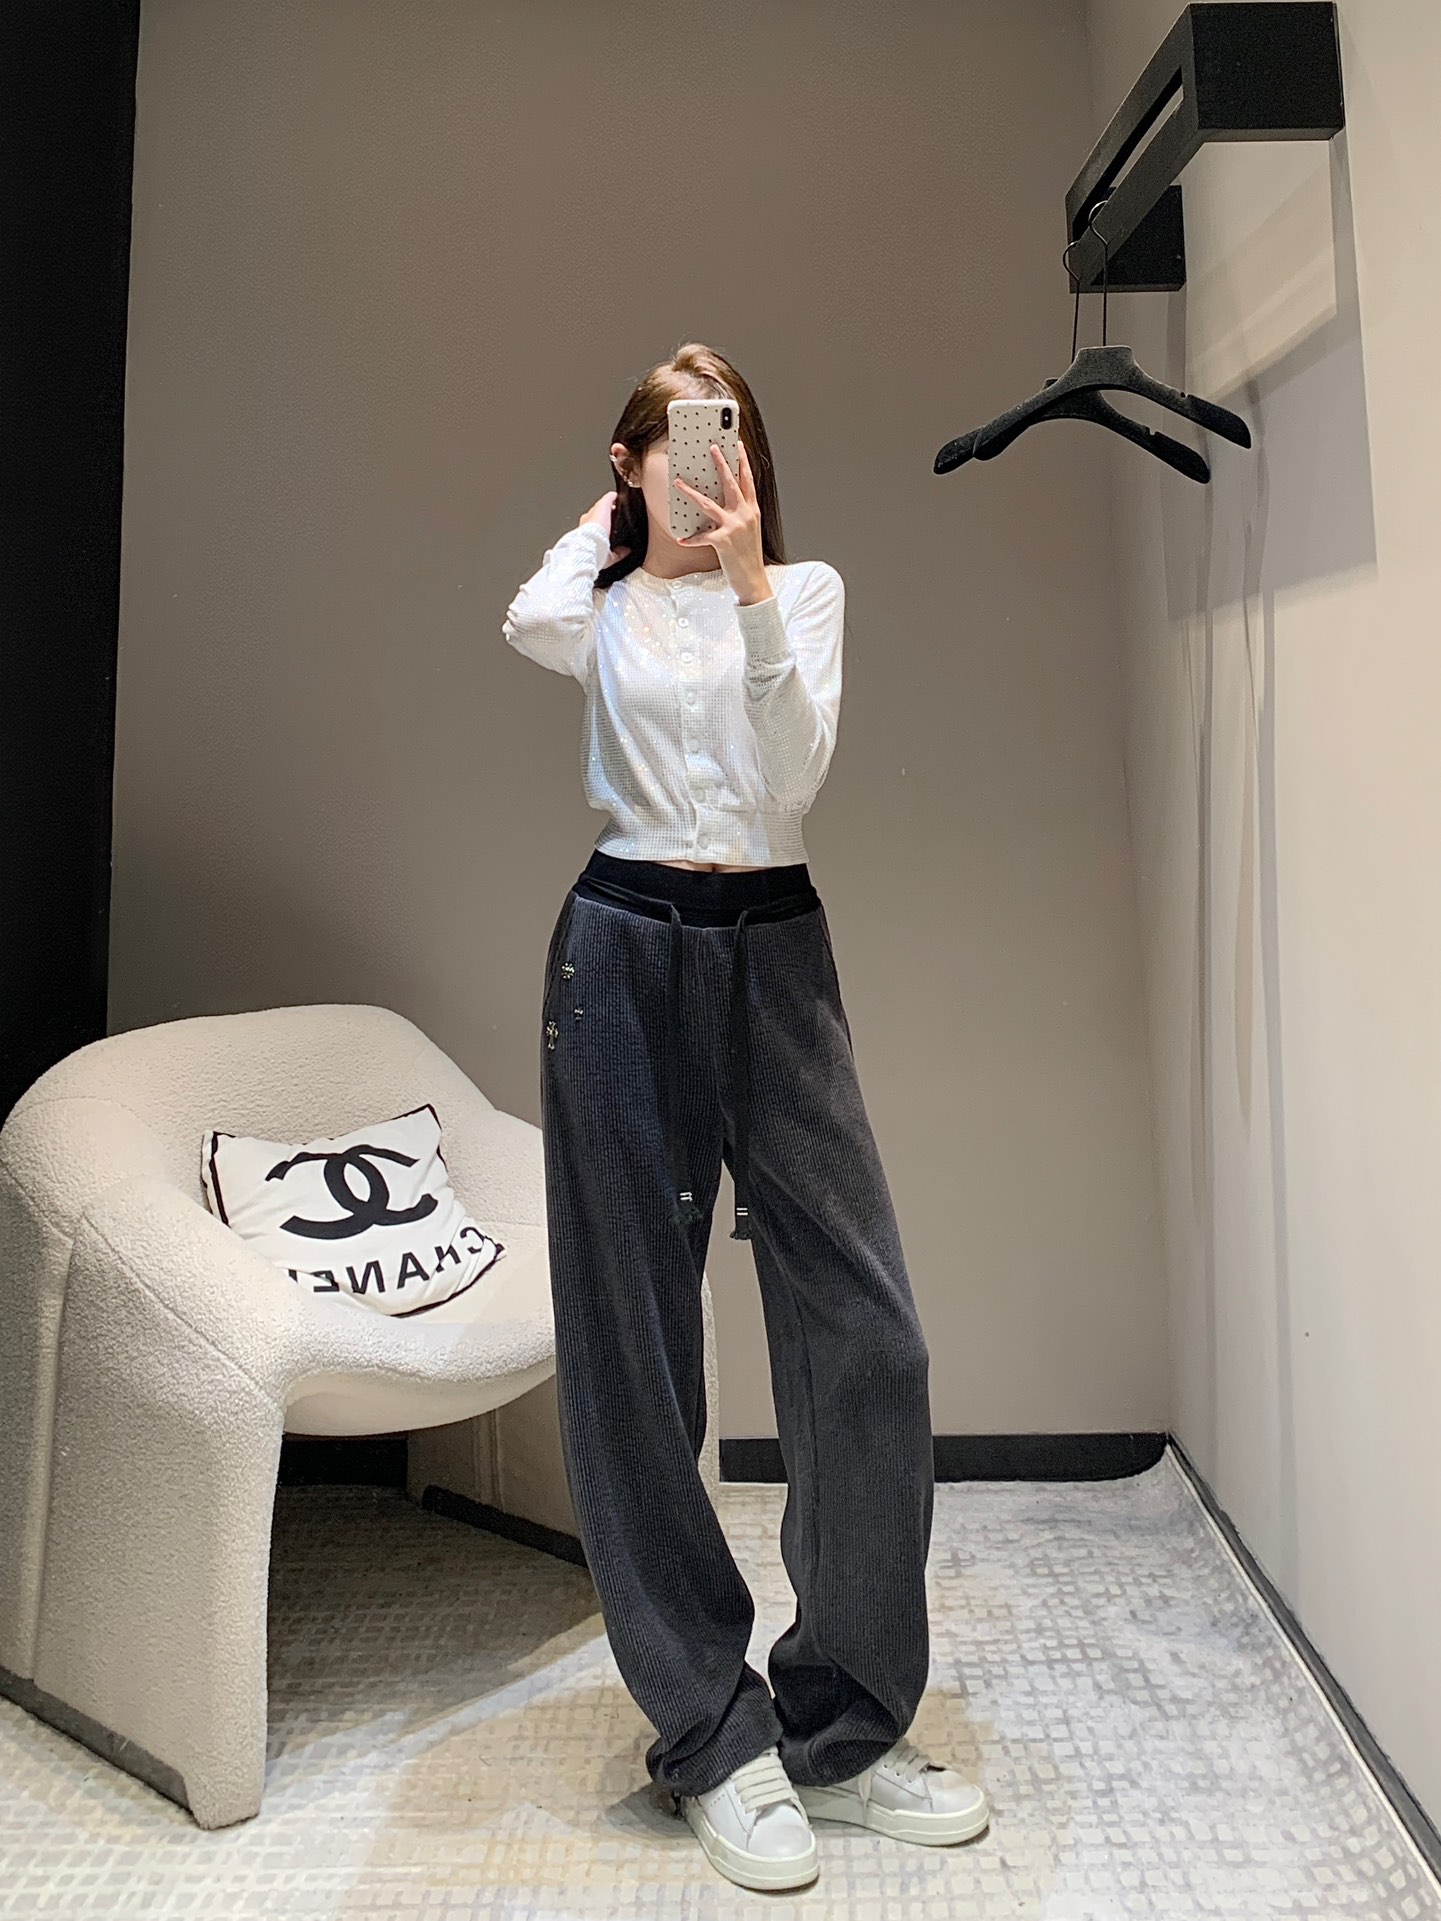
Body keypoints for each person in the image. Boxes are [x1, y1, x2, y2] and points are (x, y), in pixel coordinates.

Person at [503, 341, 990, 1891]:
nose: (708, 452)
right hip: (619, 946)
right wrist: (611, 521)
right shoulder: (594, 606)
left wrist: (747, 576)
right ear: (631, 455)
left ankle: (839, 1725)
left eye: (728, 428)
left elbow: (795, 773)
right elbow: (522, 617)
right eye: (676, 428)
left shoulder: (807, 592)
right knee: (634, 1346)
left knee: (867, 1331)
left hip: (772, 944)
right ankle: (710, 1733)